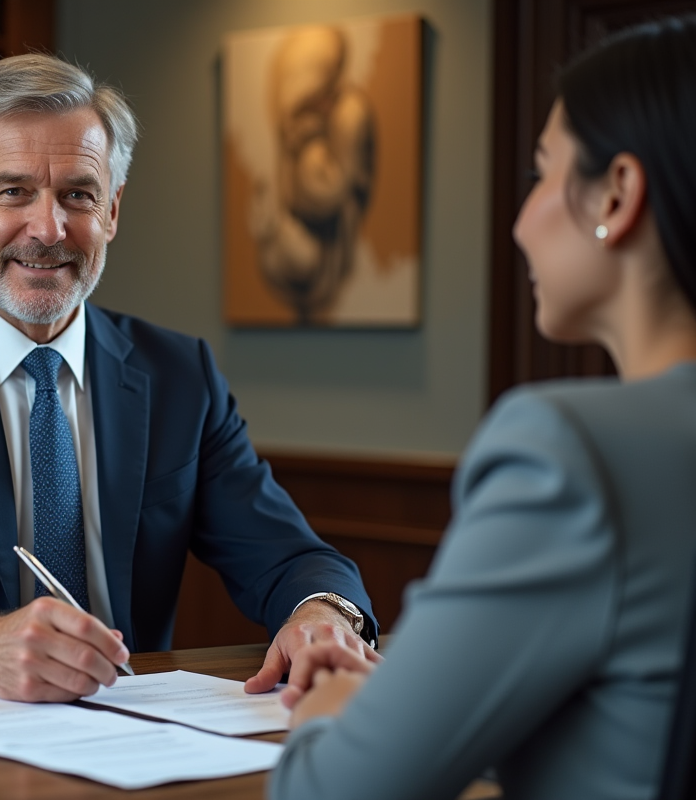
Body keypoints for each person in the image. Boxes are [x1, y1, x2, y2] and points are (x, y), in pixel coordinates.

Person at [0, 52, 378, 704]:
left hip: (136, 730)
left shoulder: (179, 376)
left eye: (78, 194)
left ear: (113, 210)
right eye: (14, 192)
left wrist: (322, 615)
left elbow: (291, 556)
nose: (49, 229)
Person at [270, 15, 696, 800]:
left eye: (542, 173)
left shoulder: (569, 454)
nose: (521, 223)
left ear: (617, 192)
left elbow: (332, 790)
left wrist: (332, 710)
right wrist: (413, 699)